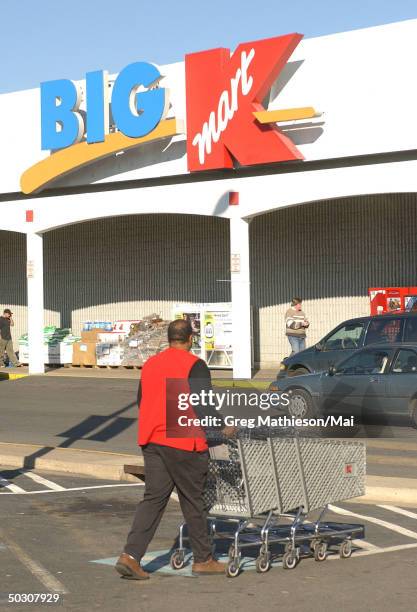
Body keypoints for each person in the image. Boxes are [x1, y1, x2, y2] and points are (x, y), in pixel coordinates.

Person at [115, 319, 235, 580]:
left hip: (152, 439)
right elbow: (202, 405)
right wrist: (223, 427)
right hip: (183, 440)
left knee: (153, 499)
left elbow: (141, 400)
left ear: (168, 339)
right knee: (193, 500)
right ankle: (203, 559)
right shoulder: (195, 365)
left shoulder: (151, 364)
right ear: (191, 339)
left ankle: (130, 556)